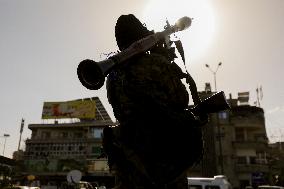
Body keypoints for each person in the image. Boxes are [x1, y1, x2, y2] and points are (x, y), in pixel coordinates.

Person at [104, 14, 206, 189]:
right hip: (165, 157)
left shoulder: (112, 75)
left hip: (130, 163)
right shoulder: (155, 63)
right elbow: (181, 99)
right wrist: (164, 58)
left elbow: (119, 112)